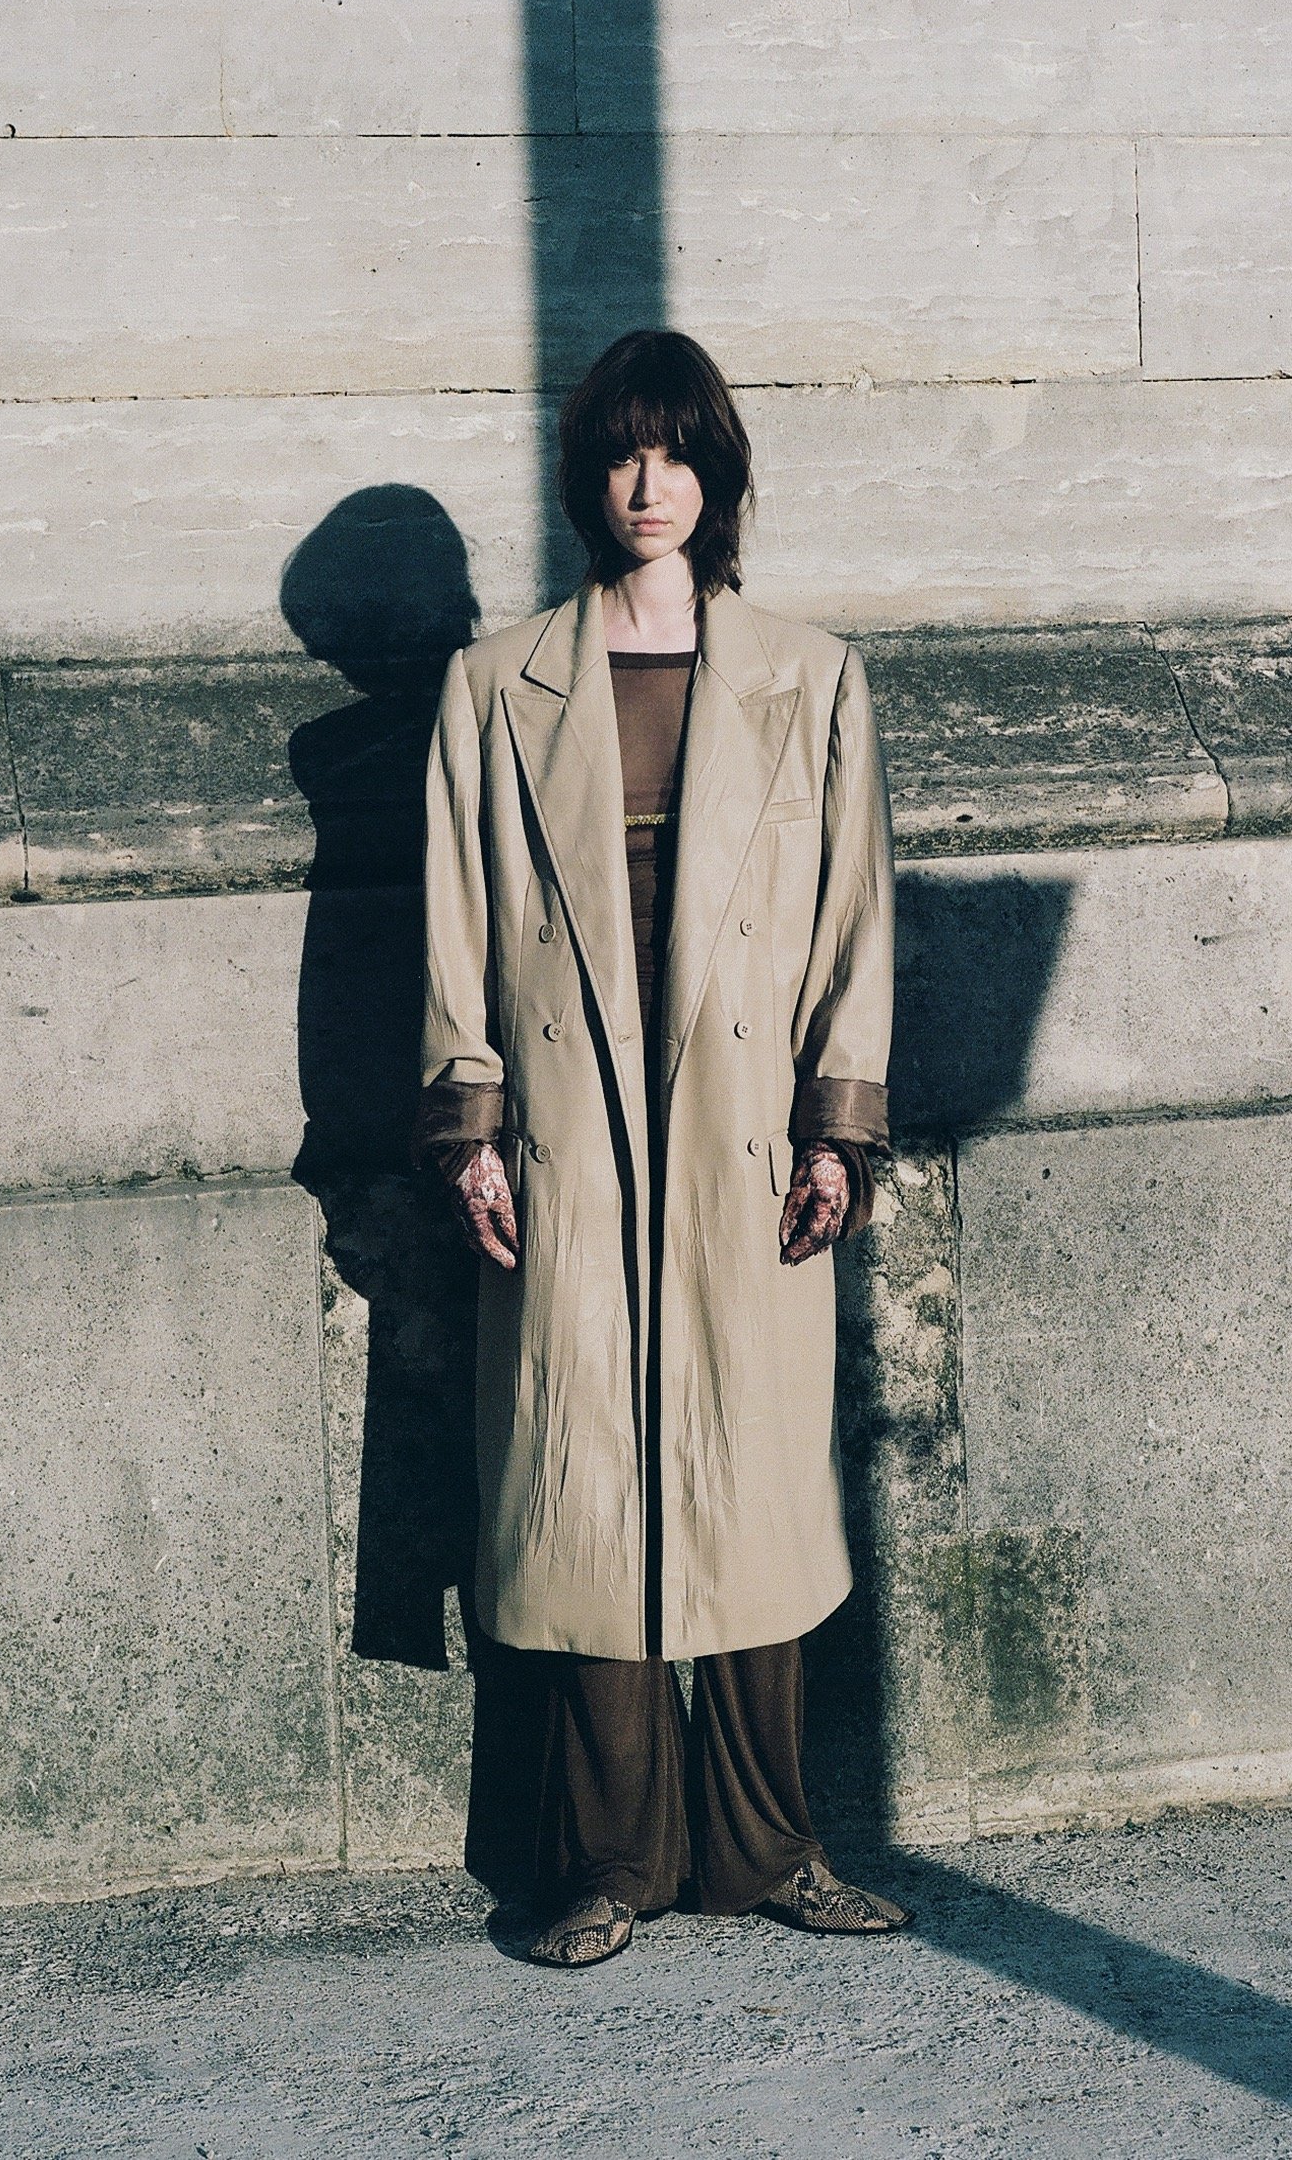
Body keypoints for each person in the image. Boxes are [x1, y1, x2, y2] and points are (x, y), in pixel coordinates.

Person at [414, 329, 909, 1966]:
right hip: (567, 1135)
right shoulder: (498, 684)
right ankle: (611, 1860)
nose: (650, 484)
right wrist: (470, 1123)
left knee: (754, 1487)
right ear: (587, 478)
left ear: (718, 473)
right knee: (584, 1498)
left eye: (677, 451)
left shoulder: (809, 674)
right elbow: (455, 925)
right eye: (625, 454)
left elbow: (854, 926)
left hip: (742, 1137)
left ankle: (768, 1847)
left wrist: (838, 1124)